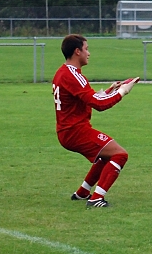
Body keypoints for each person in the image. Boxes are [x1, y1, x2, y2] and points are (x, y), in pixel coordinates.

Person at [52, 34, 139, 208]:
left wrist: (109, 91)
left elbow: (87, 100)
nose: (88, 53)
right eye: (86, 49)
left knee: (105, 156)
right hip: (75, 131)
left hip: (68, 130)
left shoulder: (65, 72)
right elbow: (99, 105)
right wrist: (123, 91)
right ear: (77, 51)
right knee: (119, 155)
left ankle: (83, 192)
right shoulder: (72, 75)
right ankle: (96, 199)